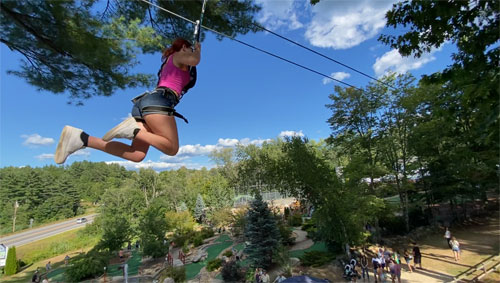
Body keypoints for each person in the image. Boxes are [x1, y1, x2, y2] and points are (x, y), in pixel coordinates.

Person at [54, 38, 202, 165]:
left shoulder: (172, 64)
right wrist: (197, 50)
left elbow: (190, 69)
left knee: (136, 155)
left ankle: (81, 139)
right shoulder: (178, 55)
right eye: (188, 49)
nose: (190, 52)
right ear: (183, 47)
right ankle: (133, 131)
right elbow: (195, 60)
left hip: (147, 103)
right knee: (171, 148)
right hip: (159, 101)